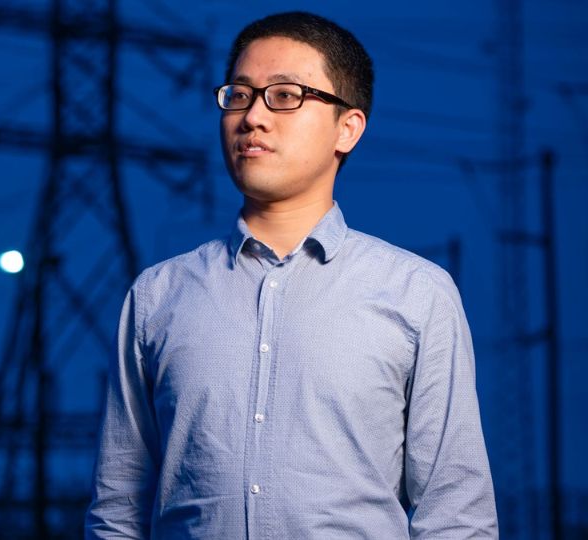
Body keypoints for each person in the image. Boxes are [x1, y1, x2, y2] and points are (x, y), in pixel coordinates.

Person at [85, 11, 498, 539]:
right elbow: (118, 509)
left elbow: (456, 514)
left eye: (284, 95)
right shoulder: (158, 295)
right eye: (239, 94)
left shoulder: (417, 294)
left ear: (347, 128)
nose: (253, 117)